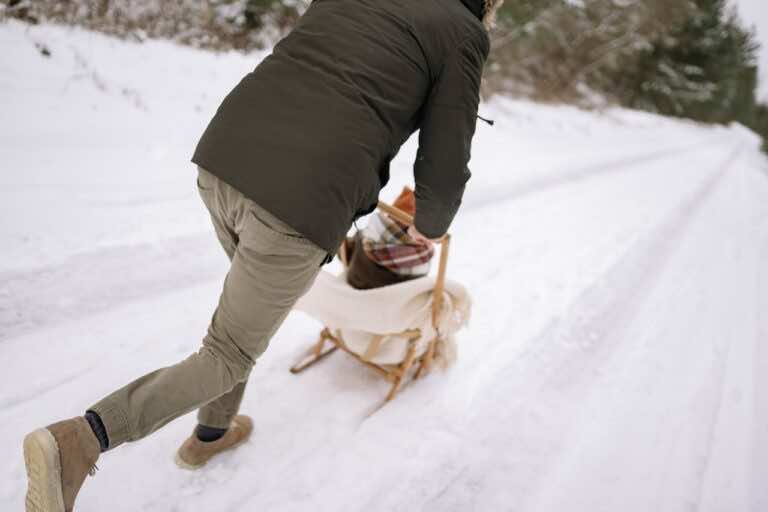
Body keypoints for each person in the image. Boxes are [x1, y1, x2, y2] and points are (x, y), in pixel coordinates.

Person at [21, 1, 502, 510]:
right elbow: (445, 164)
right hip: (300, 197)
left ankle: (212, 431)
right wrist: (429, 226)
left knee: (235, 325)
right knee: (230, 353)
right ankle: (81, 439)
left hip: (225, 156)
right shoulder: (461, 31)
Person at [344, 187, 436, 290]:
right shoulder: (423, 258)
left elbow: (345, 252)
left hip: (355, 285)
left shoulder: (368, 234)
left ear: (390, 217)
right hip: (394, 301)